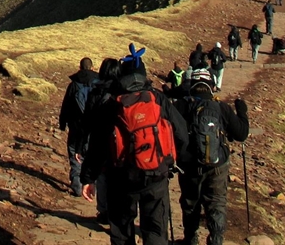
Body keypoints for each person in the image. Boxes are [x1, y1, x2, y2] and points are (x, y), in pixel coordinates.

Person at [81, 45, 189, 245]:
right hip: (156, 174)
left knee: (122, 231)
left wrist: (88, 178)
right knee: (155, 230)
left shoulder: (113, 104)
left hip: (121, 178)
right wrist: (175, 161)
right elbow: (181, 133)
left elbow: (97, 146)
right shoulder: (158, 99)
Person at [174, 68, 249, 245]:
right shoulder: (221, 107)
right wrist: (242, 112)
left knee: (190, 203)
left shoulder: (180, 106)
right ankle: (216, 239)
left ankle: (191, 239)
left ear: (192, 85)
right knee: (216, 203)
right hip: (218, 165)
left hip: (189, 164)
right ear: (211, 86)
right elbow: (241, 134)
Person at [83, 58, 121, 225]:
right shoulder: (123, 92)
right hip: (121, 144)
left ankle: (104, 210)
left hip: (100, 142)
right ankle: (119, 212)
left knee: (103, 176)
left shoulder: (96, 92)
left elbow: (88, 121)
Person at [59, 57, 99, 196]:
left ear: (80, 67)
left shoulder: (74, 85)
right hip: (94, 127)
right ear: (93, 67)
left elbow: (66, 105)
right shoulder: (99, 83)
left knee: (75, 155)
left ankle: (77, 186)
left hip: (76, 126)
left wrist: (62, 123)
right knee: (93, 155)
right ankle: (94, 185)